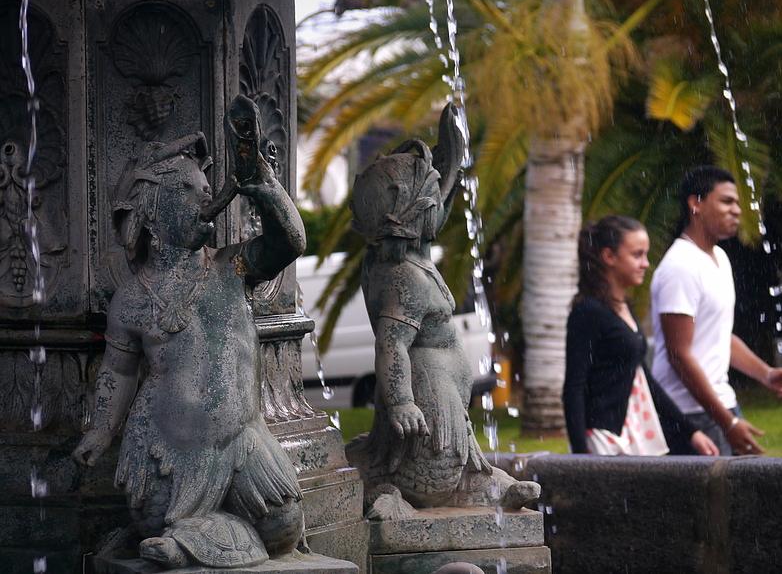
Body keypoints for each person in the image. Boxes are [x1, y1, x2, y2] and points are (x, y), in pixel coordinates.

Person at [72, 96, 308, 567]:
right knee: (154, 517)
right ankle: (194, 539)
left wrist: (263, 186)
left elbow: (291, 242)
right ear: (153, 212)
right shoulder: (133, 299)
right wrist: (100, 430)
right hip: (164, 450)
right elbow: (117, 373)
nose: (206, 197)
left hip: (241, 446)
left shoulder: (232, 266)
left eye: (207, 188)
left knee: (284, 526)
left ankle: (195, 542)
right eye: (189, 190)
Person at [345, 103, 539, 519]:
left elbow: (437, 207)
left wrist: (449, 156)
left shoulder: (402, 254)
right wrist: (400, 402)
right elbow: (391, 344)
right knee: (431, 469)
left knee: (455, 460)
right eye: (431, 199)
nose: (441, 206)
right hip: (426, 392)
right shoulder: (406, 277)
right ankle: (394, 494)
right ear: (411, 215)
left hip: (443, 388)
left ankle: (485, 486)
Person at [651, 166, 782, 456]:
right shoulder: (680, 266)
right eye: (727, 201)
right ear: (696, 204)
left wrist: (766, 374)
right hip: (689, 414)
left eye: (738, 204)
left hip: (720, 405)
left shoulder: (718, 257)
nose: (737, 211)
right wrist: (727, 422)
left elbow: (719, 335)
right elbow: (678, 354)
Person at [563, 215, 718, 456]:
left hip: (629, 434)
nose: (646, 264)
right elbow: (574, 386)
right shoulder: (588, 312)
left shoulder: (623, 306)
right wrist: (580, 457)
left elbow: (641, 376)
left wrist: (691, 431)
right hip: (601, 437)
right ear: (609, 257)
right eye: (637, 255)